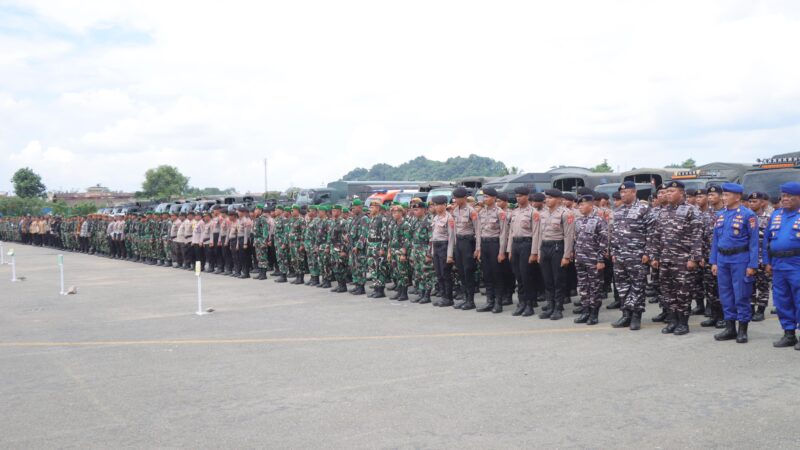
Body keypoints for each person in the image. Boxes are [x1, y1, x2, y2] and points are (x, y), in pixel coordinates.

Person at [650, 181, 703, 336]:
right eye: (667, 191)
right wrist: (655, 256)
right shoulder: (663, 212)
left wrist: (693, 258)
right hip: (666, 259)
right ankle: (672, 321)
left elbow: (697, 236)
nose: (668, 194)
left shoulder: (691, 211)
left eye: (672, 191)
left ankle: (683, 323)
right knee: (668, 292)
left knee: (683, 293)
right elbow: (657, 236)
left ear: (681, 193)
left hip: (683, 260)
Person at [710, 183, 759, 343]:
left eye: (726, 195)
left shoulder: (748, 215)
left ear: (737, 197)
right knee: (725, 295)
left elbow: (753, 243)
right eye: (723, 195)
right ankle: (730, 328)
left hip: (740, 259)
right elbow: (716, 240)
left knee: (741, 294)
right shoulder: (721, 215)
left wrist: (752, 265)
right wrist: (714, 261)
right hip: (723, 259)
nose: (723, 198)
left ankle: (742, 330)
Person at [610, 181, 653, 331]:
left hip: (637, 256)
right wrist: (614, 253)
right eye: (621, 192)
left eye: (625, 192)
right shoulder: (618, 211)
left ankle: (636, 316)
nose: (622, 195)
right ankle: (626, 314)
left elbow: (651, 232)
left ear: (634, 192)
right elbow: (614, 234)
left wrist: (648, 252)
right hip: (620, 256)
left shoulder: (644, 209)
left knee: (638, 286)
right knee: (622, 287)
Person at [764, 182, 800, 350]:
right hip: (778, 265)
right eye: (783, 196)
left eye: (789, 196)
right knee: (782, 300)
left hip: (796, 264)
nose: (785, 199)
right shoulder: (776, 215)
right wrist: (768, 262)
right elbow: (767, 241)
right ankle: (789, 334)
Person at [537, 189, 575, 321]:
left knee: (558, 279)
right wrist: (538, 251)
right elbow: (539, 234)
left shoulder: (566, 213)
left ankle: (558, 308)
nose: (547, 200)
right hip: (545, 247)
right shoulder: (543, 213)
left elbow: (569, 236)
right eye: (546, 198)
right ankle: (550, 305)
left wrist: (566, 255)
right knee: (547, 279)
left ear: (559, 199)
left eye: (550, 198)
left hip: (558, 247)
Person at [573, 195, 609, 325]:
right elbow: (576, 239)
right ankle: (585, 311)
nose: (580, 207)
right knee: (583, 287)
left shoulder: (599, 220)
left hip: (594, 260)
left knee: (595, 287)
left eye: (582, 205)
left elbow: (604, 241)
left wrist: (600, 260)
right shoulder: (578, 221)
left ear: (590, 205)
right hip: (580, 259)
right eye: (579, 205)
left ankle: (594, 314)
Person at [505, 186, 539, 317]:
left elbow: (536, 233)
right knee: (518, 276)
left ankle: (529, 305)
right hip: (516, 245)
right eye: (517, 196)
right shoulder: (515, 212)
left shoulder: (533, 212)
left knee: (527, 276)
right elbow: (511, 232)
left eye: (521, 196)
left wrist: (534, 252)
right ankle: (522, 303)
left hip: (527, 244)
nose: (518, 198)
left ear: (527, 196)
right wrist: (509, 250)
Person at [476, 187, 506, 313]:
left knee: (496, 274)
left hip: (495, 245)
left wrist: (501, 252)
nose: (484, 199)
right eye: (483, 197)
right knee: (487, 274)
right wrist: (478, 249)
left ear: (494, 198)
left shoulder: (500, 212)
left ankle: (498, 302)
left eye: (487, 197)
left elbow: (503, 233)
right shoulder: (481, 212)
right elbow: (478, 232)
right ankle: (490, 301)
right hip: (484, 244)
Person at [747, 191, 771, 321]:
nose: (752, 204)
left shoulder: (769, 218)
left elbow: (770, 241)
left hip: (763, 258)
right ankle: (750, 308)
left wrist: (768, 261)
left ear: (762, 203)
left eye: (755, 201)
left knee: (762, 285)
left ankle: (760, 310)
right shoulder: (746, 217)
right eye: (750, 201)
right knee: (749, 284)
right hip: (749, 258)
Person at [430, 195, 456, 307]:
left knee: (446, 274)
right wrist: (431, 251)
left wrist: (450, 255)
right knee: (439, 274)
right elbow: (433, 236)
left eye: (438, 205)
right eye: (435, 205)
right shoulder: (435, 218)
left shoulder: (449, 218)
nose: (436, 207)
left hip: (444, 246)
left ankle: (448, 298)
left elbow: (451, 238)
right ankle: (443, 296)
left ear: (444, 205)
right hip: (436, 246)